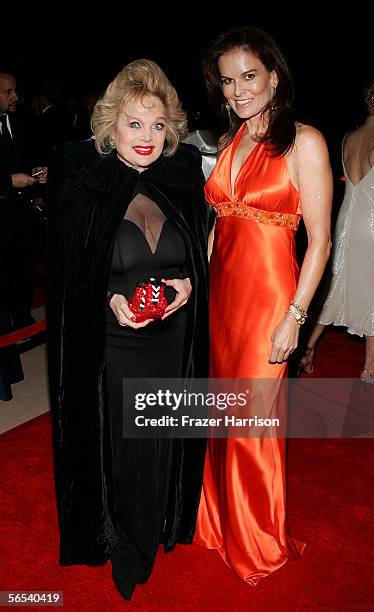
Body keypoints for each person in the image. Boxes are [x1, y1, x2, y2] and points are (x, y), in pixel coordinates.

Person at [47, 59, 211, 601]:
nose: (146, 137)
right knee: (120, 447)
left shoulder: (181, 177)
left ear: (172, 129)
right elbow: (69, 273)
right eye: (134, 124)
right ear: (111, 125)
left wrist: (189, 285)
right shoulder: (85, 182)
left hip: (171, 338)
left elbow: (200, 255)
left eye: (158, 125)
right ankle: (124, 545)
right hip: (113, 344)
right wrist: (108, 298)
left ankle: (151, 531)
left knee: (161, 441)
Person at [193, 27, 333, 584]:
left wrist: (295, 318)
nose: (237, 90)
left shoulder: (306, 141)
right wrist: (196, 290)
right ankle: (218, 521)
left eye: (248, 76)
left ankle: (256, 538)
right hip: (222, 296)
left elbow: (320, 240)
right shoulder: (231, 140)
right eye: (227, 81)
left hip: (270, 296)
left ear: (274, 76)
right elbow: (219, 227)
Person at [299, 80, 374, 383]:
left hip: (345, 220)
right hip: (370, 224)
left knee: (332, 287)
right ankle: (369, 368)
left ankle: (306, 348)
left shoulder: (348, 138)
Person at [0, 70, 47, 330]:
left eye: (15, 90)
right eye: (8, 92)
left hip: (22, 211)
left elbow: (29, 159)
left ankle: (21, 317)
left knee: (24, 268)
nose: (15, 96)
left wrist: (40, 173)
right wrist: (8, 181)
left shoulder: (20, 122)